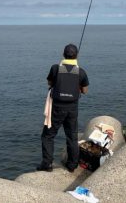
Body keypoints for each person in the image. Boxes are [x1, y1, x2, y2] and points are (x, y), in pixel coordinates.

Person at [37, 43, 89, 172]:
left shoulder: (55, 68)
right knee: (72, 136)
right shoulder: (81, 72)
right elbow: (85, 90)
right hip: (72, 109)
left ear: (63, 55)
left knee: (48, 136)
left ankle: (47, 164)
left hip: (56, 108)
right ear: (76, 55)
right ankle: (72, 165)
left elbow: (50, 82)